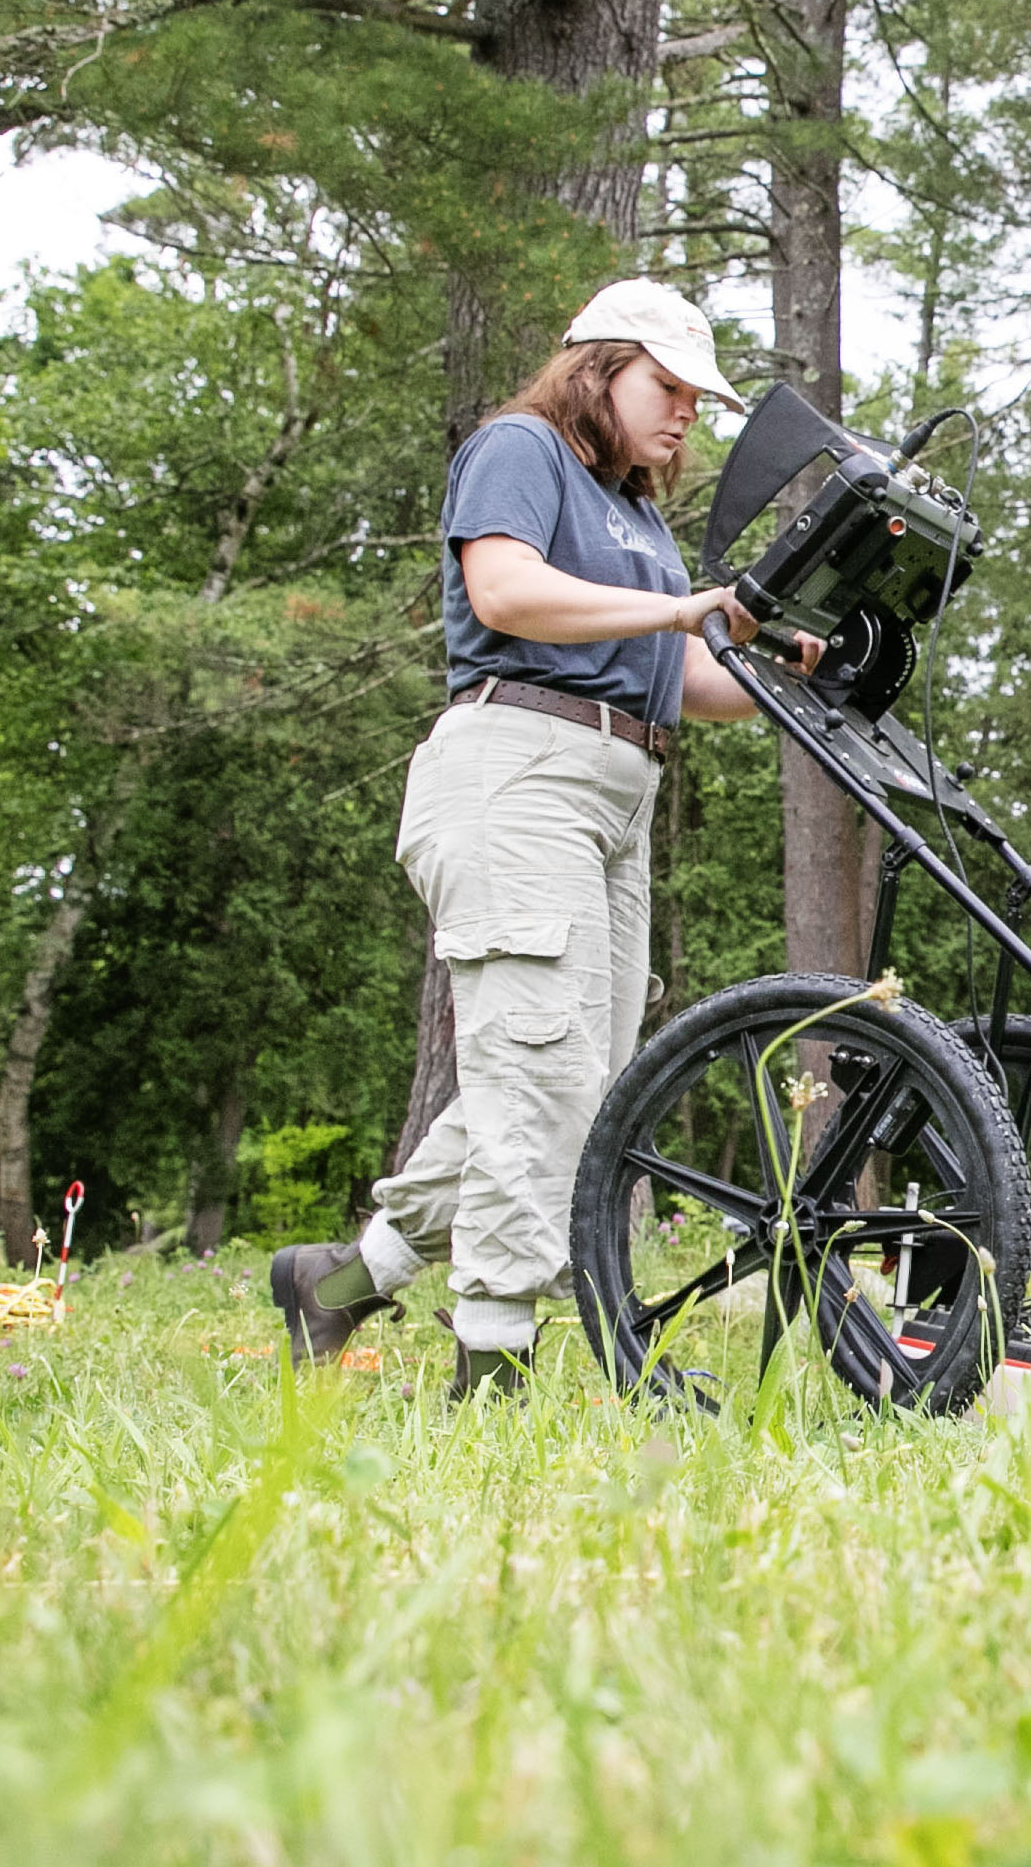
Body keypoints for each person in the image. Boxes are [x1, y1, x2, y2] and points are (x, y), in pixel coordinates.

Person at [270, 279, 810, 1401]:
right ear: (597, 367)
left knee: (575, 1079)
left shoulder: (637, 517)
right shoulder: (520, 448)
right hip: (519, 769)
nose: (684, 414)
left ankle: (340, 1281)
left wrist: (795, 671)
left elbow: (684, 676)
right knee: (539, 1068)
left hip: (619, 791)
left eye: (696, 400)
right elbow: (507, 591)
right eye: (666, 386)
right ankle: (493, 1360)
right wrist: (680, 608)